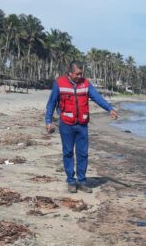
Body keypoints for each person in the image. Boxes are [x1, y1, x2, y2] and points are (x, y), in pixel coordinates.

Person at [45, 61, 118, 193]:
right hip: (66, 124)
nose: (80, 76)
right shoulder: (59, 83)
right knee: (68, 152)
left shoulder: (86, 84)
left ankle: (82, 181)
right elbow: (51, 103)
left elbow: (97, 97)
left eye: (81, 73)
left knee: (83, 154)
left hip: (82, 125)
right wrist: (48, 121)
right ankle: (71, 181)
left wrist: (109, 109)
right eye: (77, 74)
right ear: (70, 73)